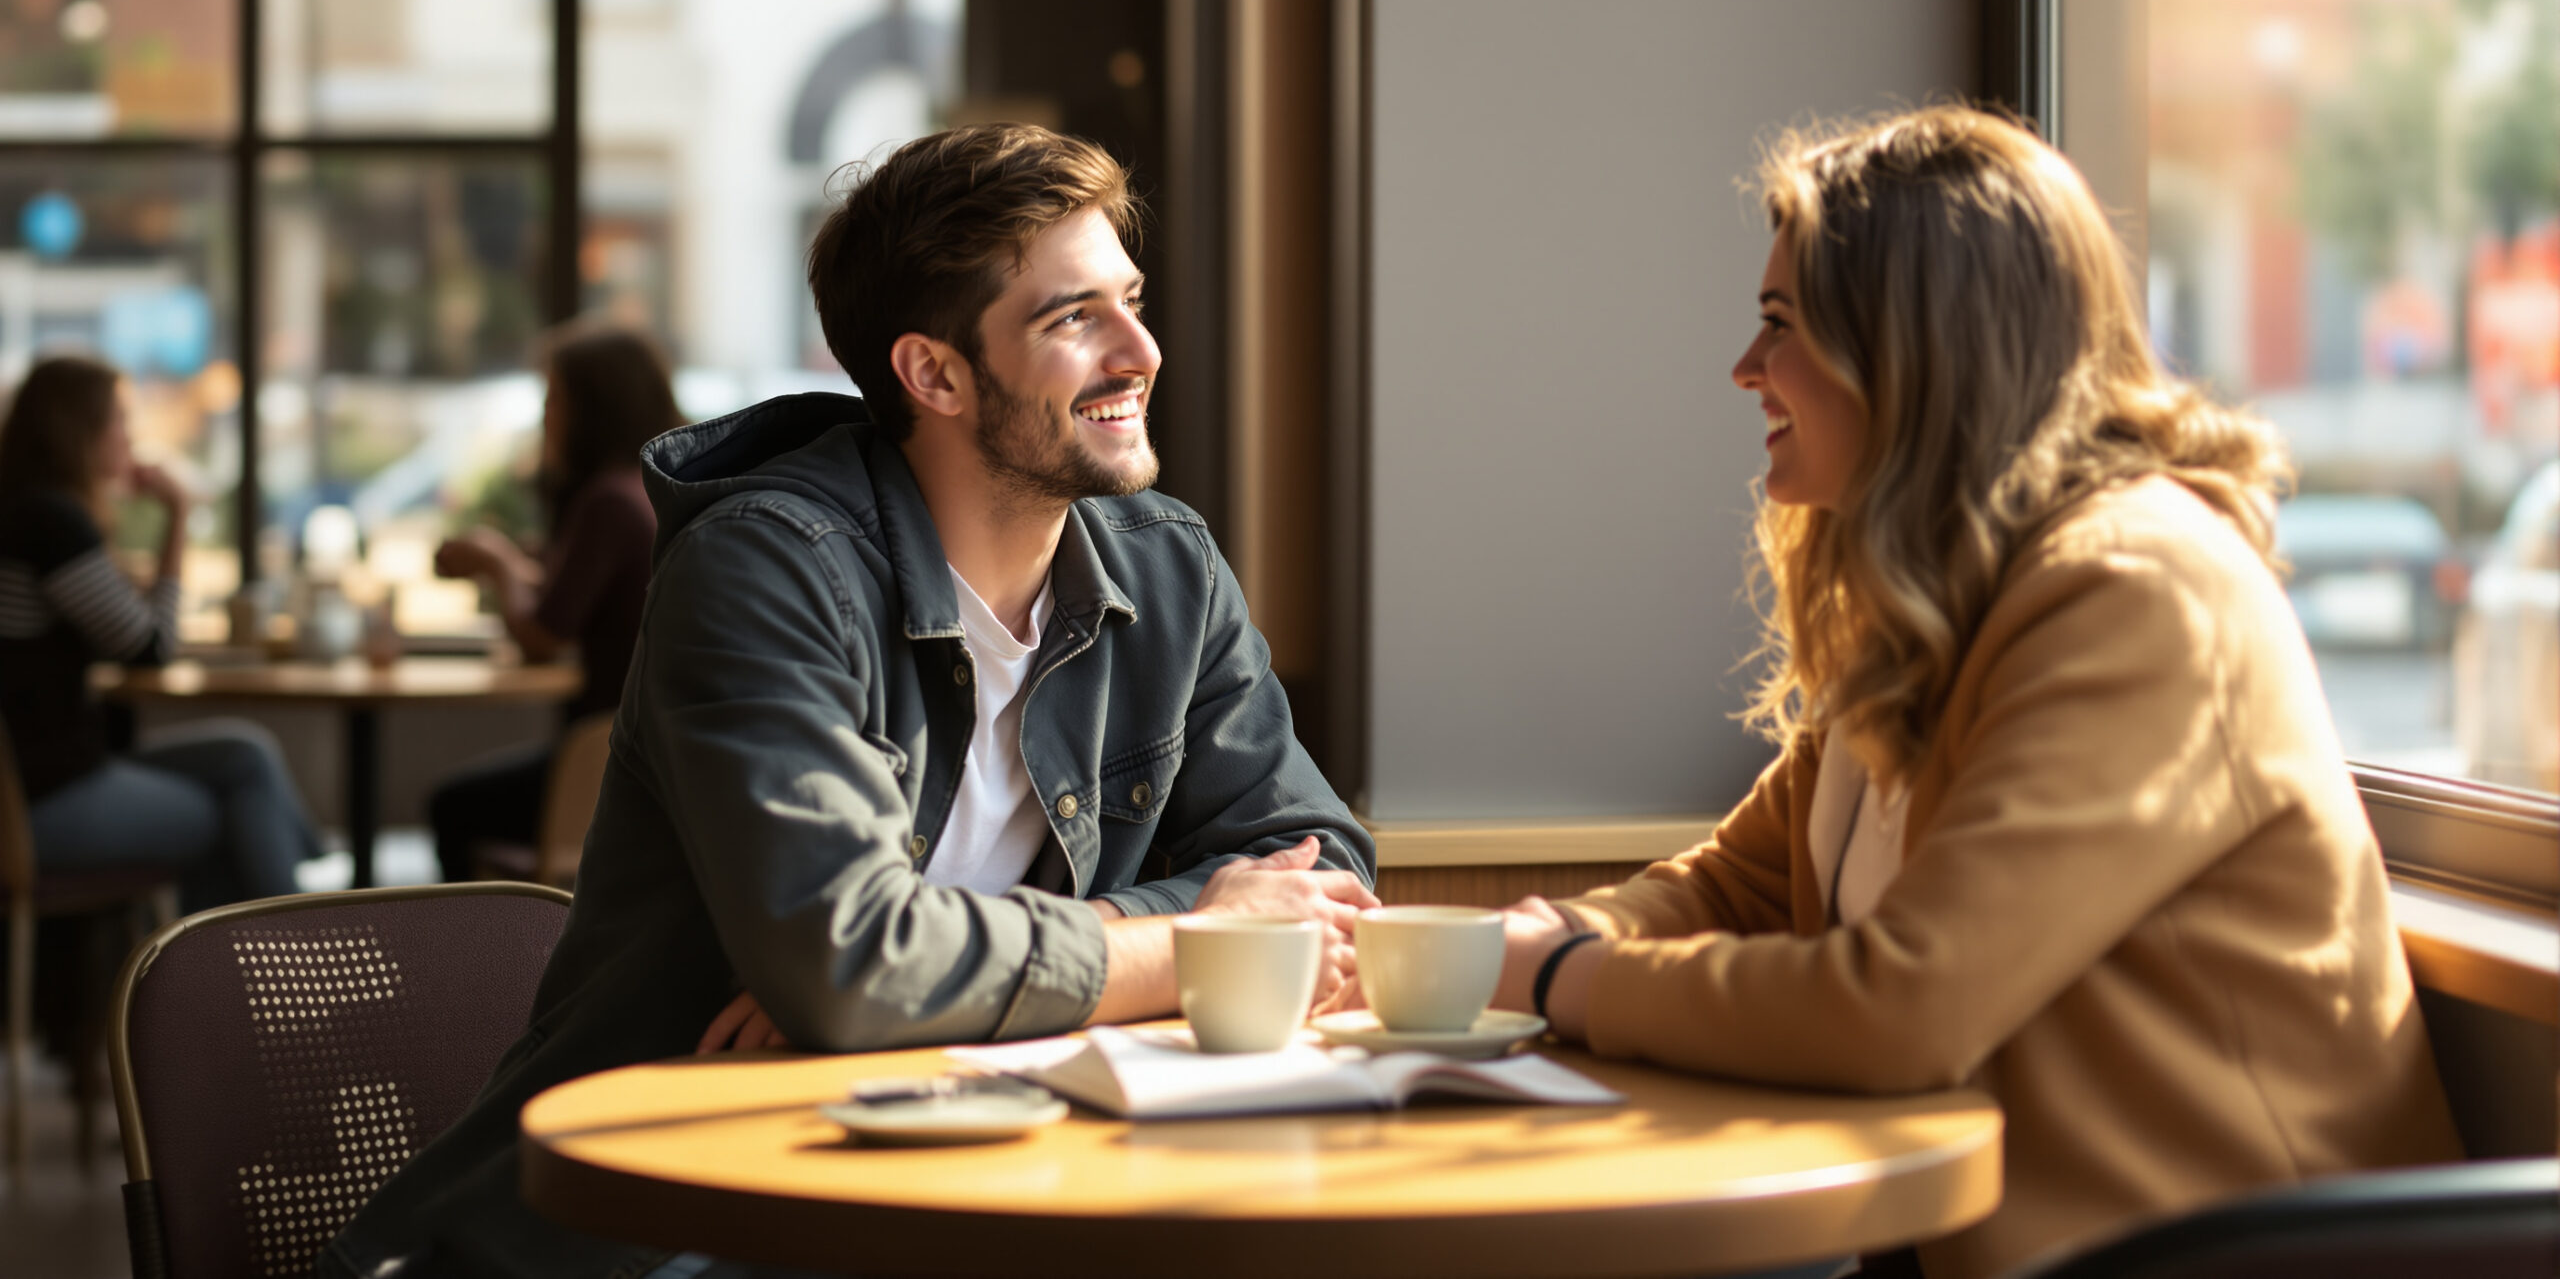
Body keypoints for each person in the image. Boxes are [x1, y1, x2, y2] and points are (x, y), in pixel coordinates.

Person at [323, 124, 1376, 1279]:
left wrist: (947, 981)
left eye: (1129, 299)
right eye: (1073, 317)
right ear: (933, 373)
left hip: (959, 1171)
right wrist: (1193, 942)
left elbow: (1313, 872)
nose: (1142, 350)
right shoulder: (768, 568)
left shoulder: (1165, 565)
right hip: (653, 1224)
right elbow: (855, 962)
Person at [1487, 107, 2462, 1279]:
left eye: (1779, 325)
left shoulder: (2140, 588)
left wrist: (1555, 978)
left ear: (1907, 349)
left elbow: (1903, 1004)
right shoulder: (1929, 601)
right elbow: (1739, 884)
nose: (1743, 369)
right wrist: (1530, 939)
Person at [0, 356, 315, 912]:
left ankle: (292, 918)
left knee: (245, 754)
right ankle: (300, 973)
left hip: (46, 779)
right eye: (119, 419)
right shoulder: (51, 522)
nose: (131, 435)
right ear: (80, 431)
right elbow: (150, 649)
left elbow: (116, 625)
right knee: (235, 812)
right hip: (42, 801)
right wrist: (178, 515)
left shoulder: (26, 515)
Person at [424, 320, 681, 884]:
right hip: (658, 759)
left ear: (595, 405)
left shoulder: (608, 500)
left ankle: (476, 962)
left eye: (554, 398)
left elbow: (543, 635)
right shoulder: (649, 488)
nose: (545, 416)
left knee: (451, 806)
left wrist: (496, 560)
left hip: (610, 765)